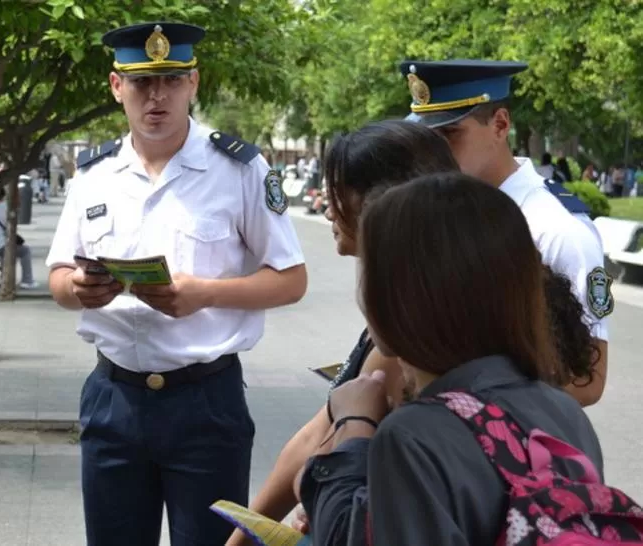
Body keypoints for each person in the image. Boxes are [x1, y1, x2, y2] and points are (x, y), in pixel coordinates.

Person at [228, 120, 604, 546]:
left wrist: (352, 427)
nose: (331, 209)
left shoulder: (411, 436)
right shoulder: (562, 413)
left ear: (401, 292)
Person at [45, 21, 307, 546]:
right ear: (117, 87)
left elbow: (291, 279)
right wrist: (79, 288)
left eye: (170, 79)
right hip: (113, 397)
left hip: (205, 399)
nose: (156, 95)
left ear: (194, 82)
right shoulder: (93, 174)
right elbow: (56, 277)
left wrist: (205, 293)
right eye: (142, 83)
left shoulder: (241, 169)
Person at [402, 59, 612, 406]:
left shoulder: (554, 228)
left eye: (451, 134)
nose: (435, 152)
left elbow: (587, 380)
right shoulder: (445, 212)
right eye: (428, 138)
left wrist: (465, 405)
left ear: (500, 125)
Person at [0, 190, 38, 289]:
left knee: (6, 251)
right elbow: (11, 226)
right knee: (25, 251)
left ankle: (3, 276)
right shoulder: (5, 207)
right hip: (0, 244)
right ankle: (27, 280)